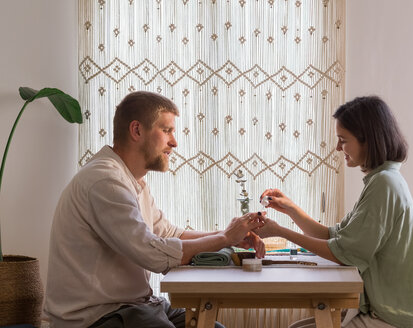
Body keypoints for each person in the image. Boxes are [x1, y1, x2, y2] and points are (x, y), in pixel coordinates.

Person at [44, 91, 265, 328]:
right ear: (137, 130)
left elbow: (170, 234)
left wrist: (230, 237)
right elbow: (153, 254)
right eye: (167, 130)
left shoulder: (132, 181)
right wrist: (223, 238)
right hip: (97, 316)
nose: (174, 142)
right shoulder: (105, 181)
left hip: (136, 306)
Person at [257, 96, 413, 328]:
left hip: (399, 318)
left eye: (343, 140)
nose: (337, 148)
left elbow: (343, 253)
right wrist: (290, 209)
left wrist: (280, 232)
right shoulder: (382, 180)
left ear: (368, 140)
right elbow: (334, 237)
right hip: (394, 312)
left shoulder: (384, 184)